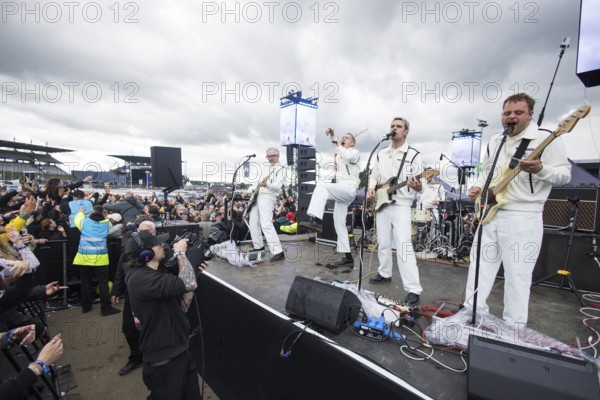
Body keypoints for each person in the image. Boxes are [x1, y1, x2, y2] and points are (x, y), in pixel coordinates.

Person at [463, 93, 571, 324]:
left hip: (523, 215)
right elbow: (486, 174)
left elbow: (564, 175)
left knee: (517, 276)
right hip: (490, 213)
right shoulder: (495, 140)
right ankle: (472, 314)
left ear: (530, 114)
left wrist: (541, 169)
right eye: (507, 113)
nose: (511, 117)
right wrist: (477, 188)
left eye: (518, 113)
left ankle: (513, 328)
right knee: (479, 267)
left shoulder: (547, 138)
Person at [125, 231, 208, 399]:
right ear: (146, 254)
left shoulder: (158, 274)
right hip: (164, 361)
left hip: (180, 351)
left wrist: (194, 273)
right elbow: (187, 282)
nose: (163, 245)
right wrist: (180, 253)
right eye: (158, 244)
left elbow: (183, 306)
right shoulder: (140, 279)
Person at [367, 117, 424, 306]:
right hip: (382, 203)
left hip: (401, 205)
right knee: (382, 241)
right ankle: (384, 272)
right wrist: (370, 189)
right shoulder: (381, 153)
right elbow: (373, 176)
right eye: (392, 126)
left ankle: (413, 288)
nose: (394, 128)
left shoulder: (414, 154)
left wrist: (416, 186)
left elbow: (421, 187)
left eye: (398, 126)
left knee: (403, 245)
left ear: (406, 131)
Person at [300, 129, 360, 266]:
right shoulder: (340, 152)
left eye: (347, 137)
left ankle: (315, 220)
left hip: (349, 189)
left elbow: (348, 156)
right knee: (339, 224)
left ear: (352, 143)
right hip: (341, 192)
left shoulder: (354, 152)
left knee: (321, 186)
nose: (343, 138)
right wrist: (333, 135)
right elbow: (337, 148)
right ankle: (348, 256)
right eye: (342, 136)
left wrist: (339, 144)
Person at [73, 205, 120, 316]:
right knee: (103, 284)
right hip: (100, 258)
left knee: (85, 282)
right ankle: (105, 308)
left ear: (92, 212)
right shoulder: (107, 224)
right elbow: (108, 220)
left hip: (84, 258)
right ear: (102, 212)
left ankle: (86, 306)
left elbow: (77, 218)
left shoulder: (83, 222)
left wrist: (81, 212)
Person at [247, 148, 287, 262]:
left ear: (278, 156)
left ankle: (278, 251)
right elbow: (257, 183)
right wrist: (249, 190)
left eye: (272, 156)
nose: (270, 158)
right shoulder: (266, 168)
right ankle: (258, 247)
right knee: (253, 222)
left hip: (268, 196)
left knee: (266, 223)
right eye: (268, 156)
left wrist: (266, 185)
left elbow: (277, 186)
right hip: (258, 195)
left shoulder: (282, 170)